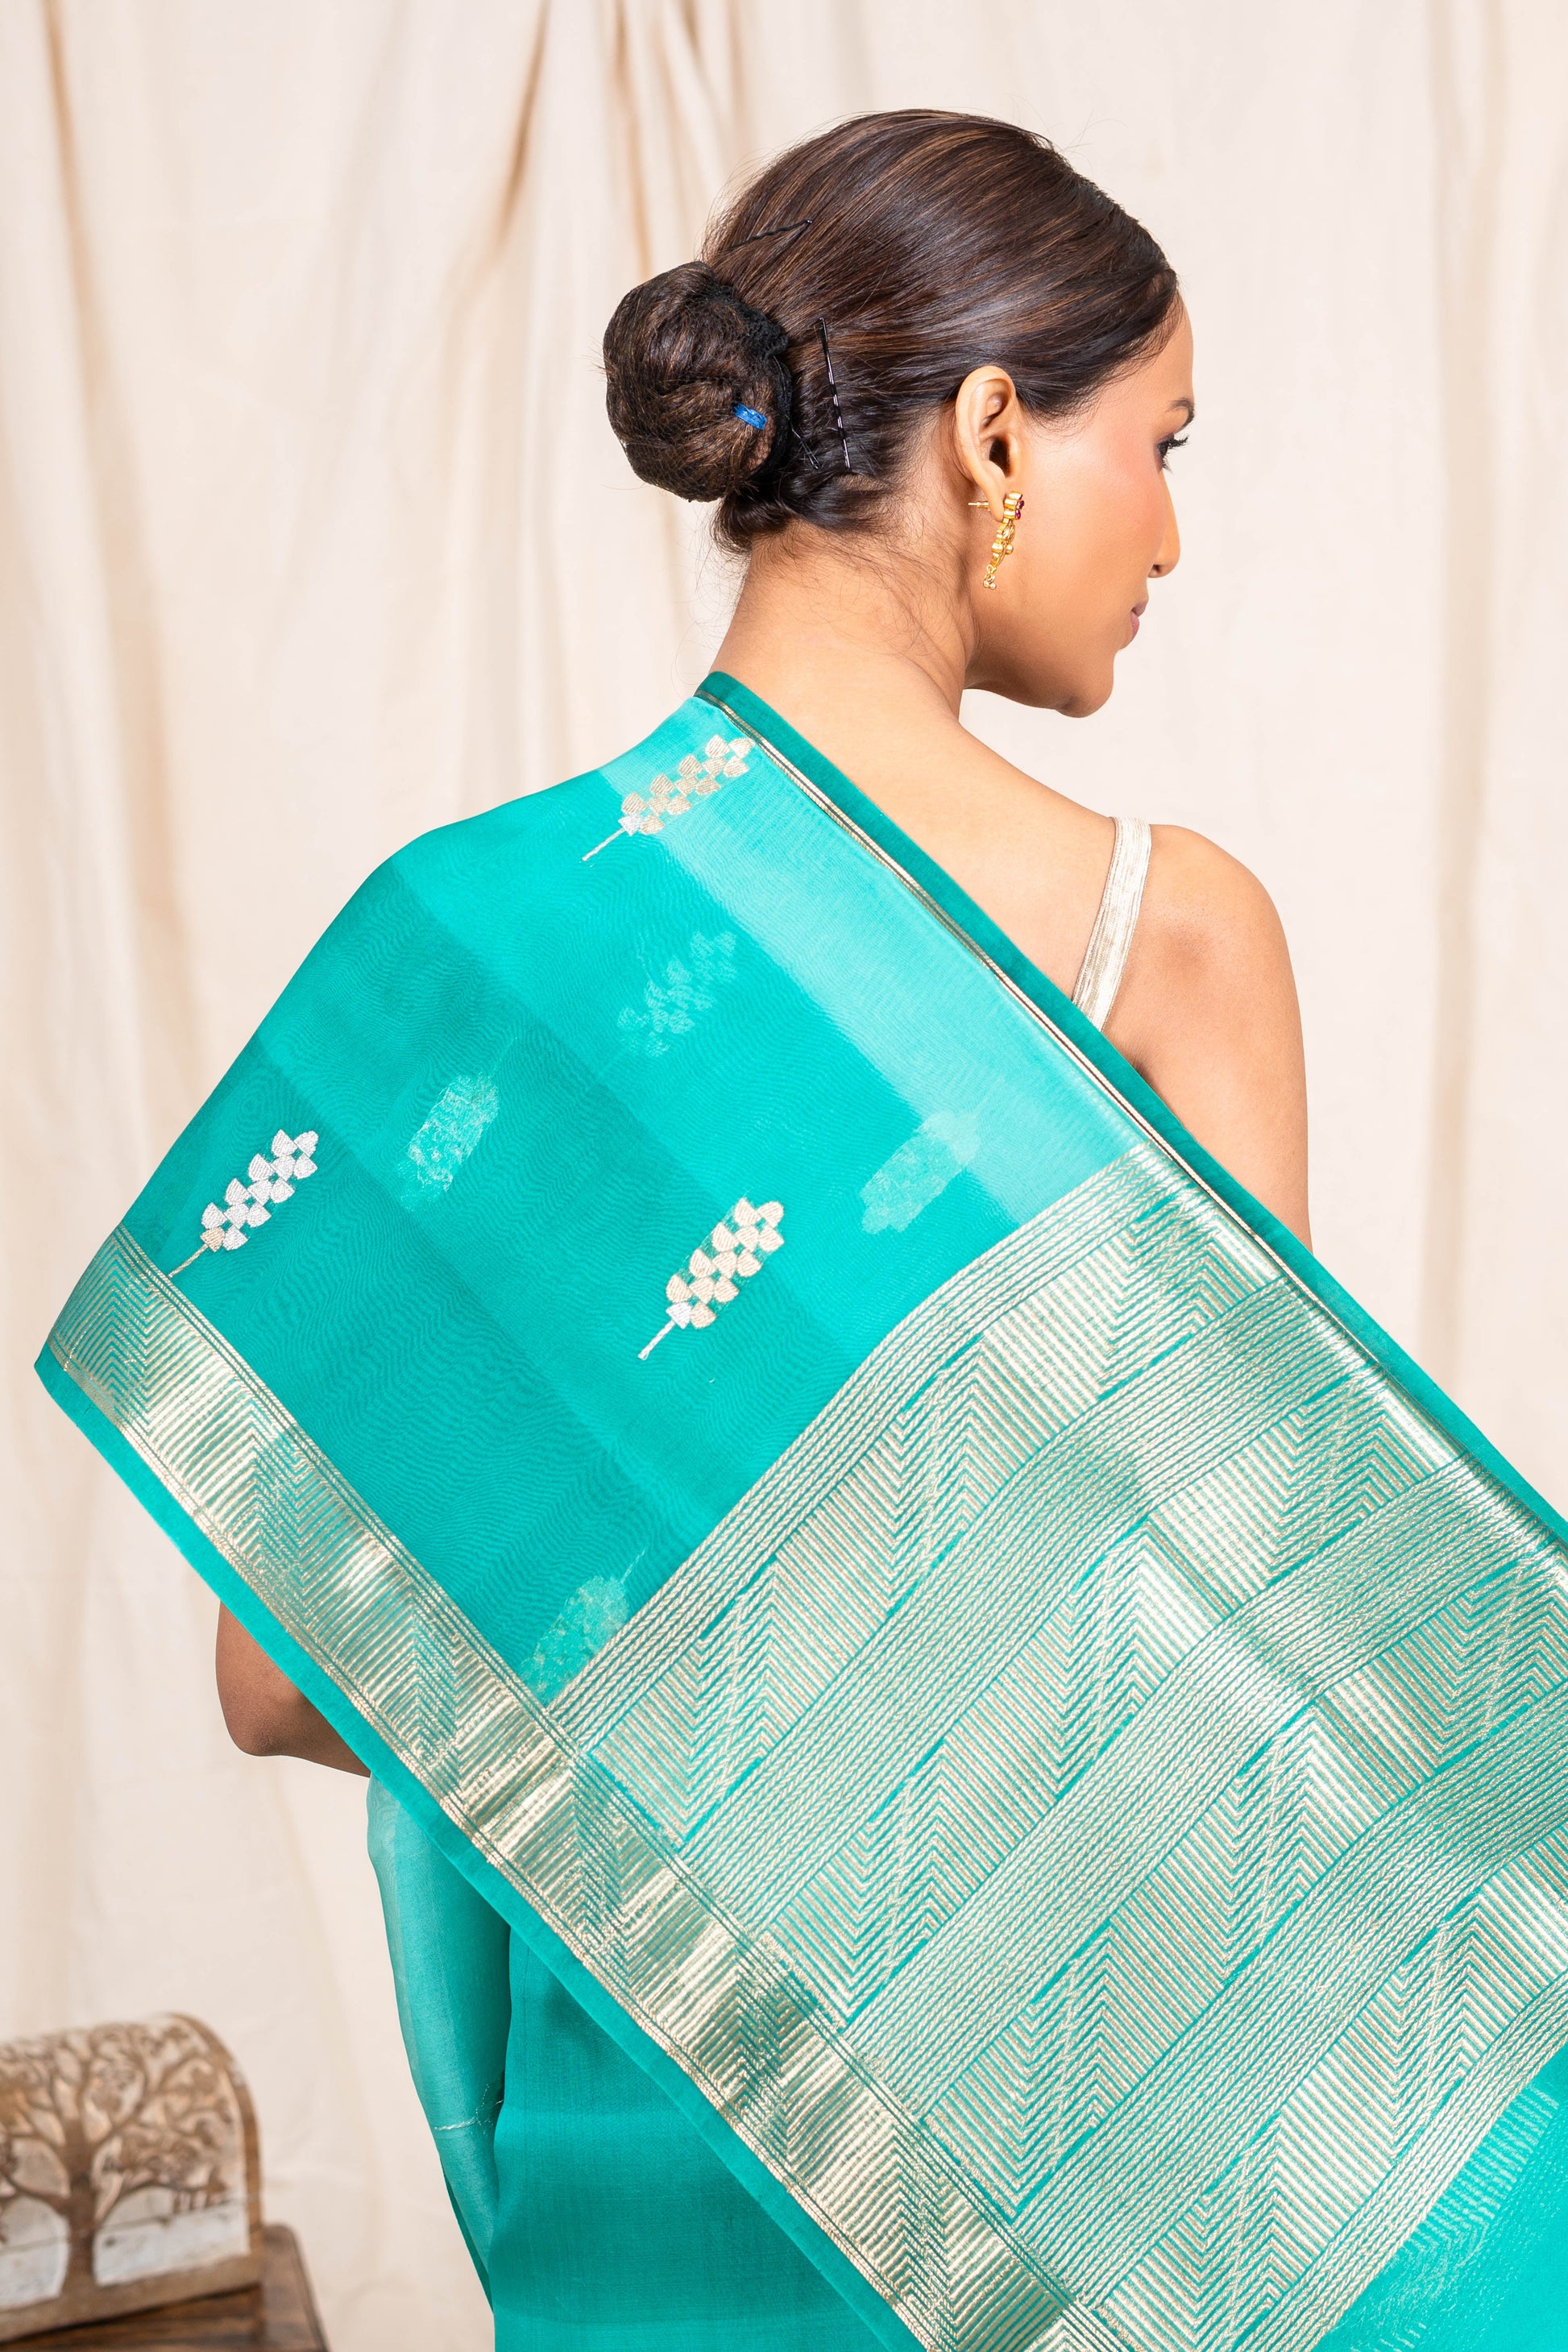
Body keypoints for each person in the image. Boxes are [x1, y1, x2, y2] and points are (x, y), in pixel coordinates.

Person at [42, 110, 1568, 2352]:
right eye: (1160, 445)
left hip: (654, 2129)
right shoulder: (1163, 938)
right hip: (1070, 2169)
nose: (1171, 531)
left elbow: (282, 1678)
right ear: (990, 438)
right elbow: (1280, 1685)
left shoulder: (458, 944)